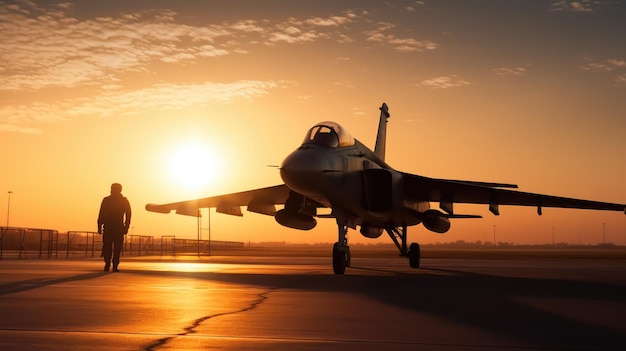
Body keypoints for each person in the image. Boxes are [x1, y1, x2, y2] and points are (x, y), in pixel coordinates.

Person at [98, 183, 131, 272]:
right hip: (118, 227)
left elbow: (101, 214)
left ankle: (108, 264)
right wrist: (126, 227)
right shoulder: (123, 200)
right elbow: (128, 215)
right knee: (116, 248)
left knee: (108, 247)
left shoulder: (107, 200)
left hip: (109, 227)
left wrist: (99, 226)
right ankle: (114, 265)